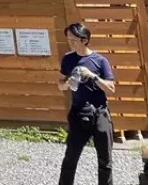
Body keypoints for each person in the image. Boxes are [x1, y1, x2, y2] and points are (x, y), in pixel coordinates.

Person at [56, 22, 116, 185]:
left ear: (84, 40)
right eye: (69, 39)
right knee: (70, 157)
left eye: (74, 40)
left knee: (105, 159)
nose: (70, 43)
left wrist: (92, 76)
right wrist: (67, 83)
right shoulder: (68, 59)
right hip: (78, 112)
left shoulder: (100, 61)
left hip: (100, 113)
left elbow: (111, 88)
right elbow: (60, 84)